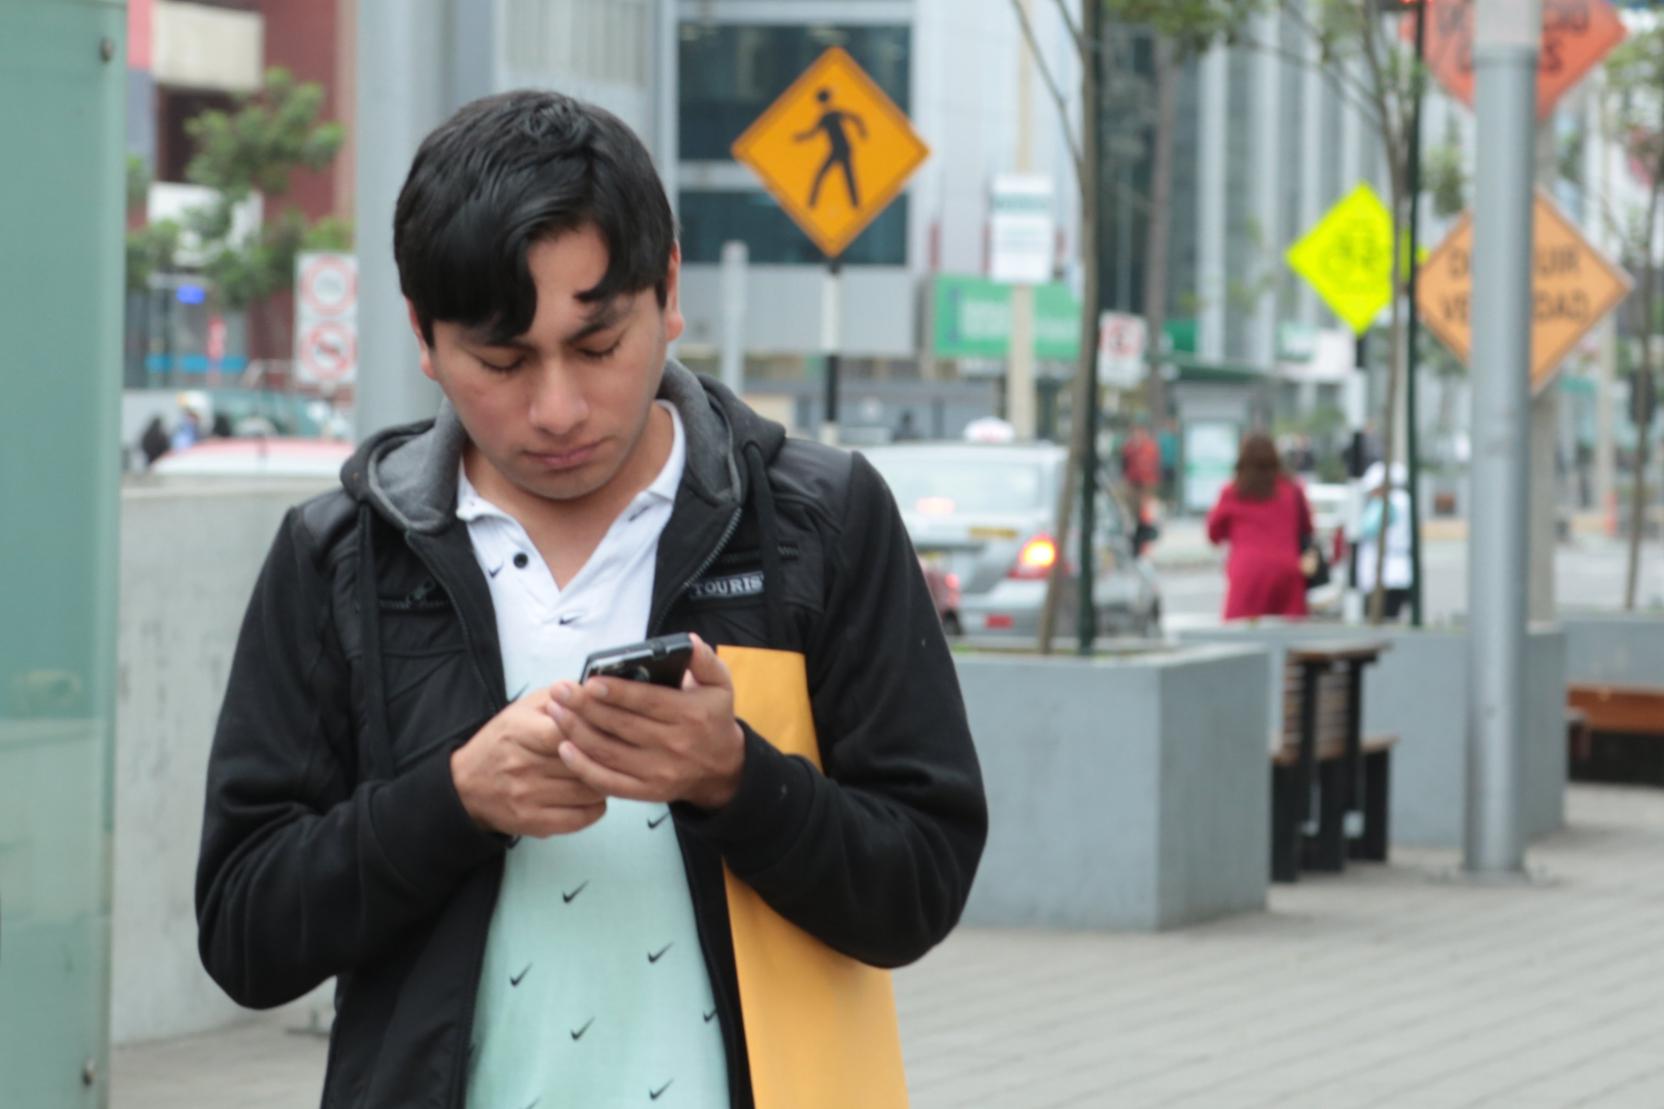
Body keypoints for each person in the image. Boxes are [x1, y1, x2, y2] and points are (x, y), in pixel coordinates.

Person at [194, 90, 987, 1109]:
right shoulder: (343, 554)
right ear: (422, 337)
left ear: (666, 292)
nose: (557, 407)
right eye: (501, 360)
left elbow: (918, 886)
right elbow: (243, 933)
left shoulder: (817, 521)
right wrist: (453, 799)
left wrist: (735, 779)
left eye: (598, 345)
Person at [1206, 433, 1313, 621]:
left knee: (1242, 640)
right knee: (1289, 640)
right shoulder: (1292, 490)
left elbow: (1213, 534)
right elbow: (1307, 528)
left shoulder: (1232, 492)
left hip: (1247, 572)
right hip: (1287, 571)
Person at [1352, 460, 1414, 621]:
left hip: (1383, 575)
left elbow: (1365, 529)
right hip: (1402, 573)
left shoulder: (1385, 503)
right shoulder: (1406, 501)